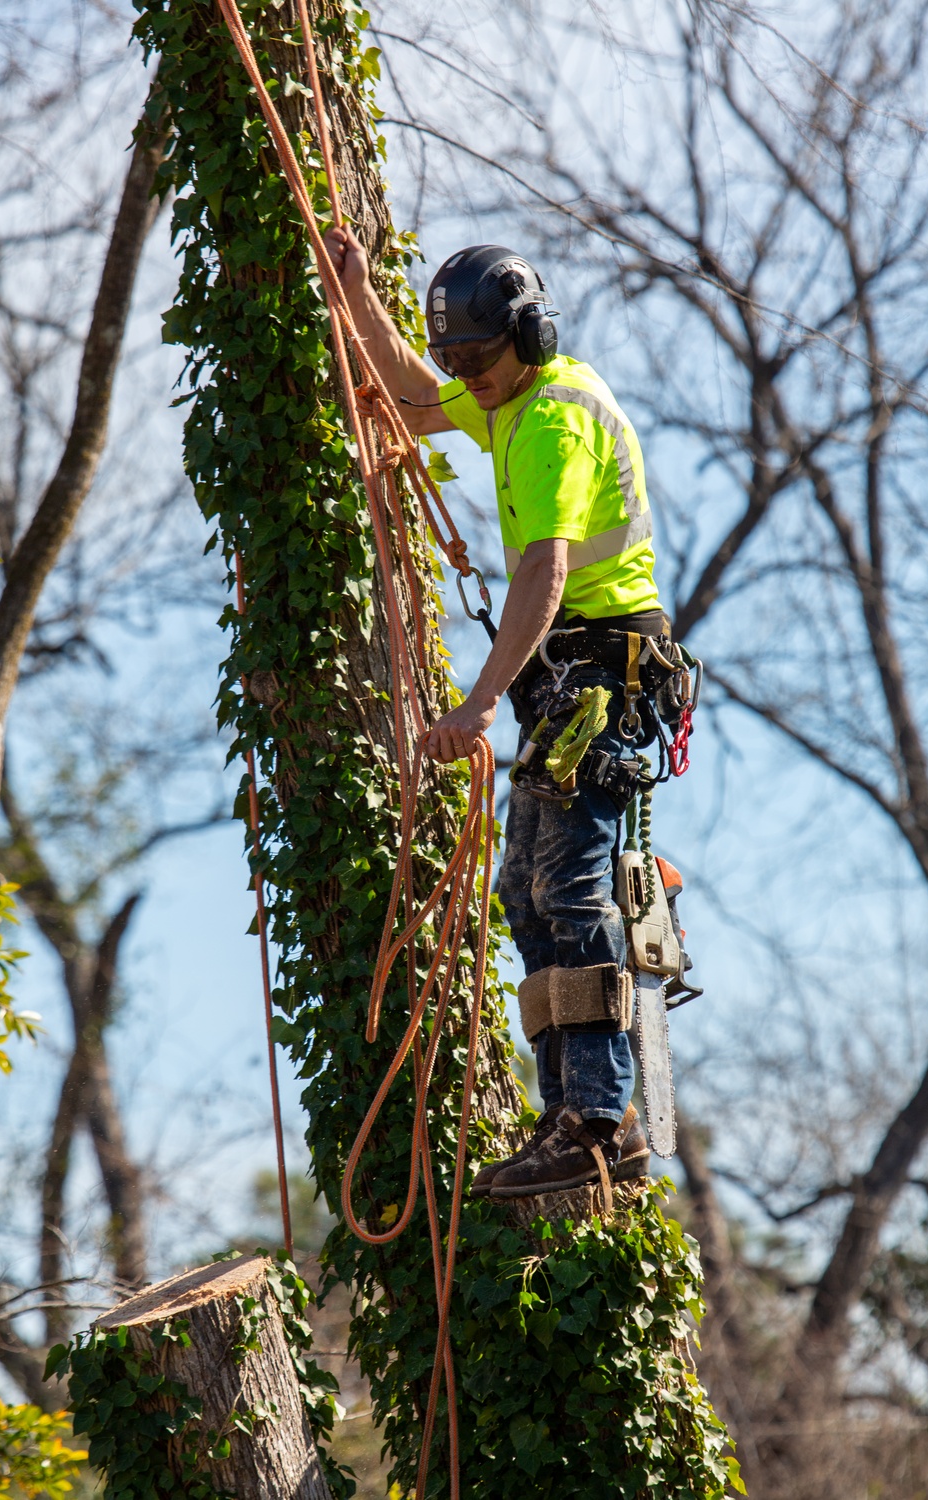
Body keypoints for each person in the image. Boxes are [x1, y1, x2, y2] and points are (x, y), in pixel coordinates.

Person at [325, 226, 673, 1198]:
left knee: (566, 891)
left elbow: (544, 570)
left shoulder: (553, 417)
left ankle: (600, 1120)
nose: (464, 376)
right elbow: (405, 396)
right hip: (568, 683)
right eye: (455, 359)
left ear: (532, 334)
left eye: (478, 355)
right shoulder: (504, 401)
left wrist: (477, 705)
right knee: (524, 891)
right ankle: (571, 1110)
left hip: (604, 673)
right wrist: (358, 297)